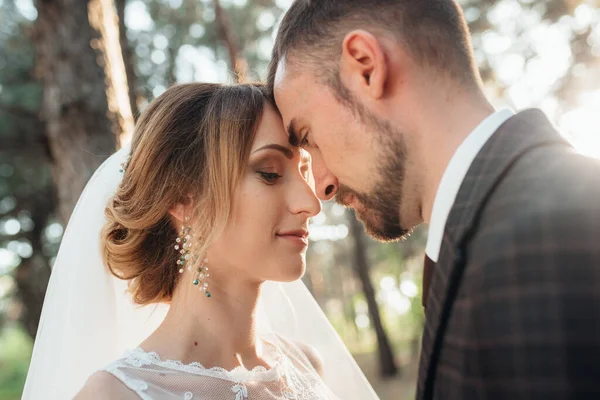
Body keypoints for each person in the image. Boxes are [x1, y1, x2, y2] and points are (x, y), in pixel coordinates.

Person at [269, 1, 600, 399]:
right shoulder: (494, 228)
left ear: (366, 67)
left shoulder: (540, 238)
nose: (321, 185)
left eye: (306, 136)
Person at [22, 83, 379, 400]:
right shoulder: (114, 395)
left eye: (304, 172)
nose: (311, 204)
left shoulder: (306, 365)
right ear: (183, 198)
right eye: (269, 173)